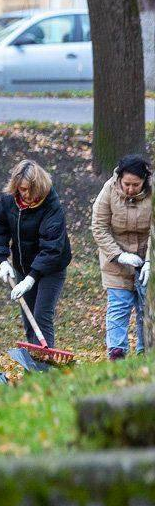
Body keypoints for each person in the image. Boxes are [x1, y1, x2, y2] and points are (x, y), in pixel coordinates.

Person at [0, 159, 72, 348]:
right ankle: (33, 370)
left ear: (37, 187)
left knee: (41, 317)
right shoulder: (10, 200)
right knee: (29, 319)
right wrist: (2, 260)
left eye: (27, 189)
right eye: (20, 189)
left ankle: (45, 370)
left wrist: (31, 278)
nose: (23, 194)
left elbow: (52, 248)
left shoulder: (51, 206)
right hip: (23, 266)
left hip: (52, 268)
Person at [91, 154, 152, 360]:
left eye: (136, 184)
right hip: (116, 261)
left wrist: (150, 261)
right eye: (126, 184)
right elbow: (99, 227)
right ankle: (117, 355)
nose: (130, 189)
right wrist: (119, 255)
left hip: (147, 257)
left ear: (145, 180)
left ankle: (147, 354)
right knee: (119, 307)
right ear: (119, 179)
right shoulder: (109, 191)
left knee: (147, 308)